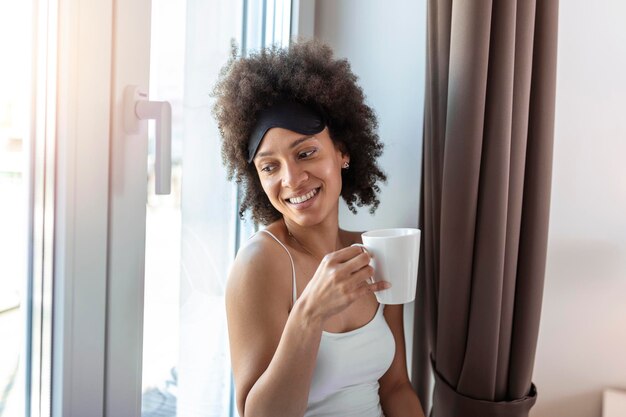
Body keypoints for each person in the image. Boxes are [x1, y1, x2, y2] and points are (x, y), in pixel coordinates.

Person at [213, 39, 425, 417]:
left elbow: (395, 388)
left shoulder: (374, 252)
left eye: (305, 152)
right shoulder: (259, 264)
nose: (291, 179)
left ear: (342, 152)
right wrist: (309, 313)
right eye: (270, 166)